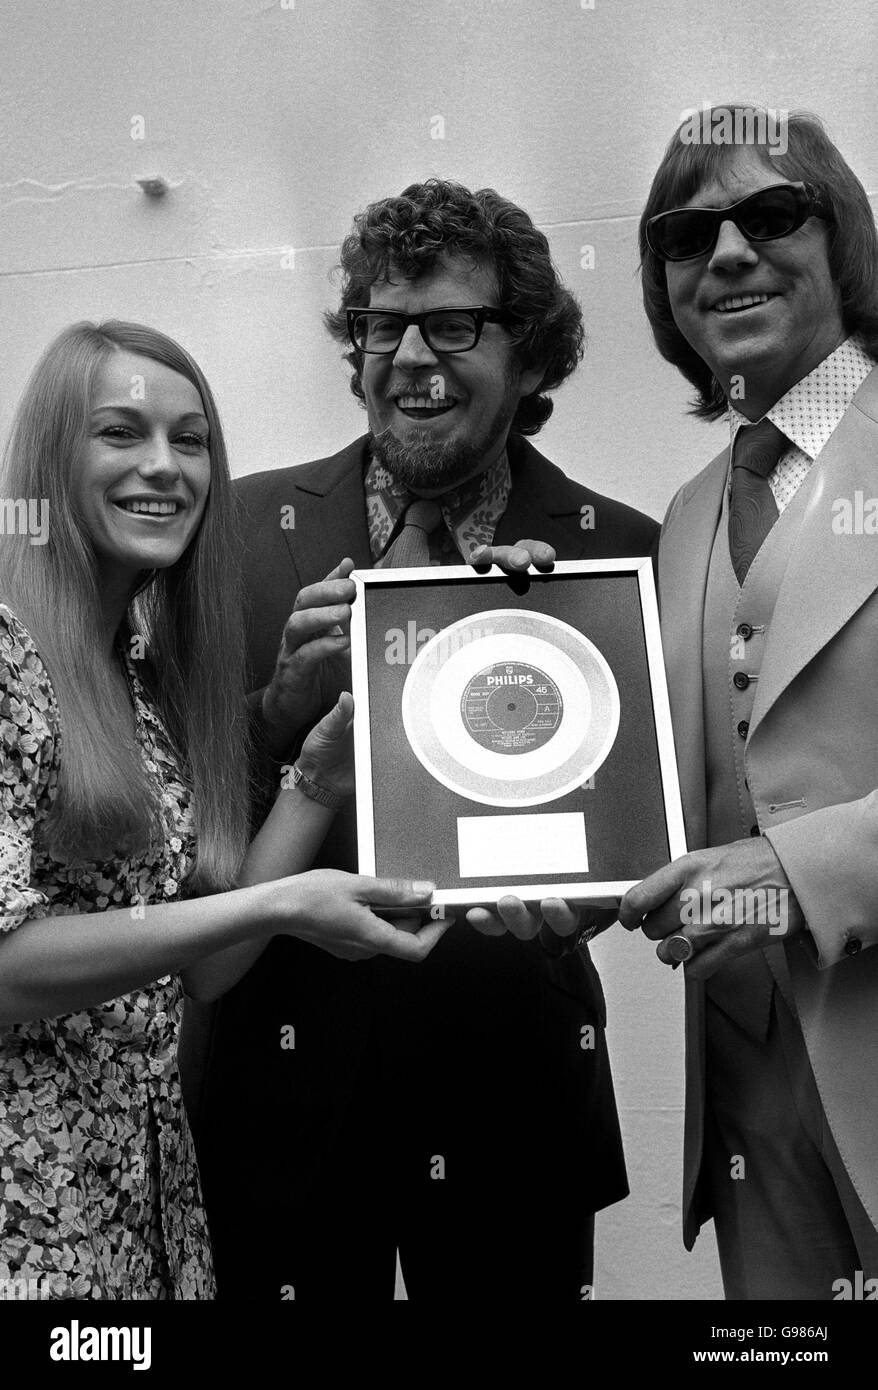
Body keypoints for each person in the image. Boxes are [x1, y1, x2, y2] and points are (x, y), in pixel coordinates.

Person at [187, 178, 658, 1302]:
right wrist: (275, 715)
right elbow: (176, 827)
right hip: (279, 1089)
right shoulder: (239, 531)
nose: (407, 355)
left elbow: (630, 814)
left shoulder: (619, 554)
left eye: (452, 324)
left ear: (533, 357)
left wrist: (583, 897)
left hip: (512, 1089)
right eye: (379, 325)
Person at [0, 321, 447, 1301]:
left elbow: (201, 968)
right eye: (119, 432)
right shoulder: (5, 644)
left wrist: (316, 778)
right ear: (49, 457)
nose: (163, 465)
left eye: (190, 438)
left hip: (143, 1185)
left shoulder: (134, 669)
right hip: (28, 1202)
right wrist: (279, 906)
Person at [615, 106, 878, 1298]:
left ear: (844, 244)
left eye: (769, 215)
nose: (724, 254)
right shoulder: (679, 520)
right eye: (685, 233)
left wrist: (802, 870)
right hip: (747, 1094)